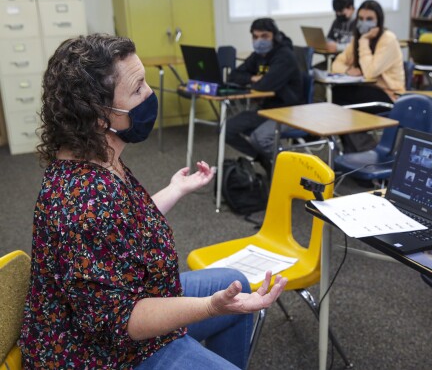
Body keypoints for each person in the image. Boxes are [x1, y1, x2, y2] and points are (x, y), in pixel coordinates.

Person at [19, 34, 287, 370]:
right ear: (100, 115)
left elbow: (120, 229)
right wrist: (209, 307)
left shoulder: (97, 157)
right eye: (138, 89)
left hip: (126, 304)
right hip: (99, 353)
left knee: (230, 280)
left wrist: (175, 189)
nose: (150, 95)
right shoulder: (83, 201)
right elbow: (122, 320)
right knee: (223, 300)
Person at [225, 18, 303, 174]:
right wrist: (252, 78)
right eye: (255, 37)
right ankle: (263, 160)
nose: (259, 41)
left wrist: (256, 82)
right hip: (266, 109)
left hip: (288, 111)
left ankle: (295, 170)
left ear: (275, 36)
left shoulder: (284, 56)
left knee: (259, 138)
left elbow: (264, 86)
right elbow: (233, 76)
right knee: (226, 130)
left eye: (264, 36)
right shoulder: (258, 56)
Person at [331, 0, 405, 152]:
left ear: (379, 20)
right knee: (338, 94)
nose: (364, 23)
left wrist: (364, 41)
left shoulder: (388, 39)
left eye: (369, 19)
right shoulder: (356, 37)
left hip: (389, 96)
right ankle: (356, 150)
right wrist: (347, 71)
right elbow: (336, 64)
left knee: (343, 101)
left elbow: (370, 72)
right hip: (367, 90)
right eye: (361, 19)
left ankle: (365, 149)